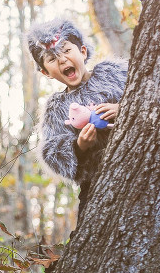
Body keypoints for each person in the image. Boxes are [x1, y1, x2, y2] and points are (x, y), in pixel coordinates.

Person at [26, 19, 127, 220]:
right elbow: (51, 150)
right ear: (46, 72)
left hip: (135, 162)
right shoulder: (57, 107)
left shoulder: (114, 73)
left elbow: (148, 95)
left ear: (82, 51)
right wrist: (79, 146)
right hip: (97, 185)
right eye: (52, 59)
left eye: (66, 50)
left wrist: (124, 108)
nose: (62, 60)